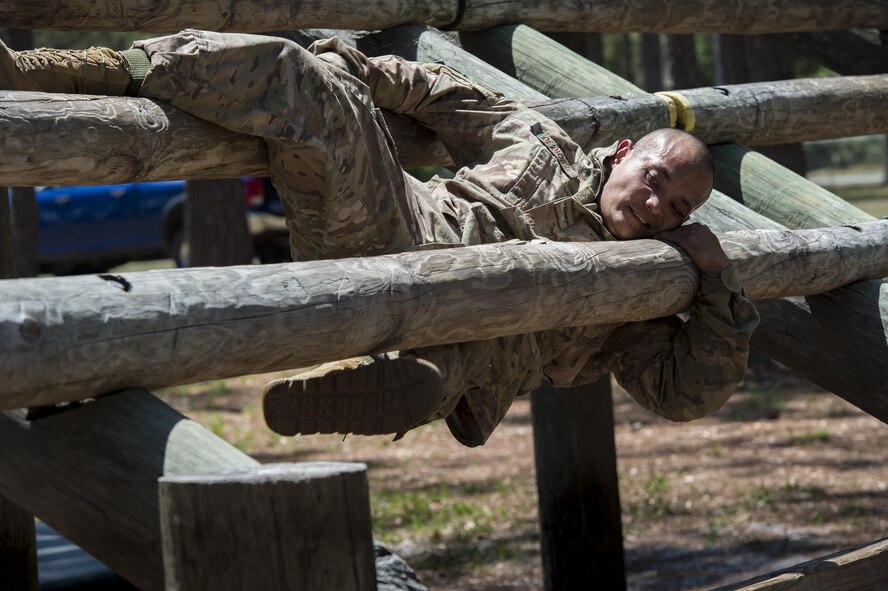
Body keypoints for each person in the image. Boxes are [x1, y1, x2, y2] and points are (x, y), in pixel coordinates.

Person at [0, 31, 759, 446]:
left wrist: (716, 288)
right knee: (305, 75)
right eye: (656, 179)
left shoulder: (646, 286)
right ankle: (82, 69)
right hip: (396, 227)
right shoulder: (542, 140)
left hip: (482, 327)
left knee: (502, 323)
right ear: (624, 154)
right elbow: (436, 90)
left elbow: (683, 395)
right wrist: (353, 65)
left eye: (679, 205)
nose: (659, 204)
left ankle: (407, 387)